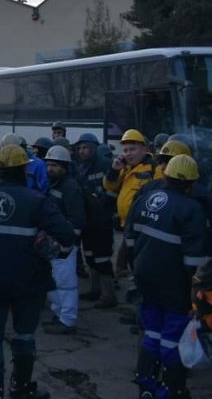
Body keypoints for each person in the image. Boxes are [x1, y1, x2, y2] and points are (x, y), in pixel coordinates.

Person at [0, 145, 76, 399]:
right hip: (29, 282)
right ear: (24, 169)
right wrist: (51, 248)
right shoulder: (36, 200)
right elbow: (67, 234)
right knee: (24, 335)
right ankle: (20, 388)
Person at [126, 155, 206, 398]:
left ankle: (146, 384)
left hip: (144, 278)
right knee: (173, 337)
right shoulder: (192, 209)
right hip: (174, 285)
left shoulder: (146, 197)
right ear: (191, 183)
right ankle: (173, 390)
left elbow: (129, 240)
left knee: (152, 331)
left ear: (166, 175)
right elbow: (194, 260)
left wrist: (135, 269)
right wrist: (195, 290)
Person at [103, 129, 160, 286]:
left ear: (144, 149)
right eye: (125, 150)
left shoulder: (154, 169)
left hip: (146, 226)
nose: (128, 154)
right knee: (133, 260)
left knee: (142, 262)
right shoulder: (125, 168)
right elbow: (110, 186)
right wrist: (114, 170)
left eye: (132, 149)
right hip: (128, 225)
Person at [42, 146, 86, 335]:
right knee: (54, 281)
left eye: (54, 165)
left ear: (64, 167)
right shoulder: (55, 184)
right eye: (48, 165)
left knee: (65, 283)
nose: (50, 169)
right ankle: (59, 314)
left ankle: (67, 320)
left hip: (64, 244)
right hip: (53, 242)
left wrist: (66, 244)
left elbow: (77, 220)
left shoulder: (70, 188)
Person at [73, 133, 117, 306]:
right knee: (90, 256)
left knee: (102, 258)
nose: (82, 151)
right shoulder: (78, 166)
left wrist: (106, 208)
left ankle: (109, 296)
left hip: (102, 220)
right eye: (80, 148)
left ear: (94, 148)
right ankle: (95, 289)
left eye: (86, 147)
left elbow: (114, 189)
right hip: (87, 220)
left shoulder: (106, 164)